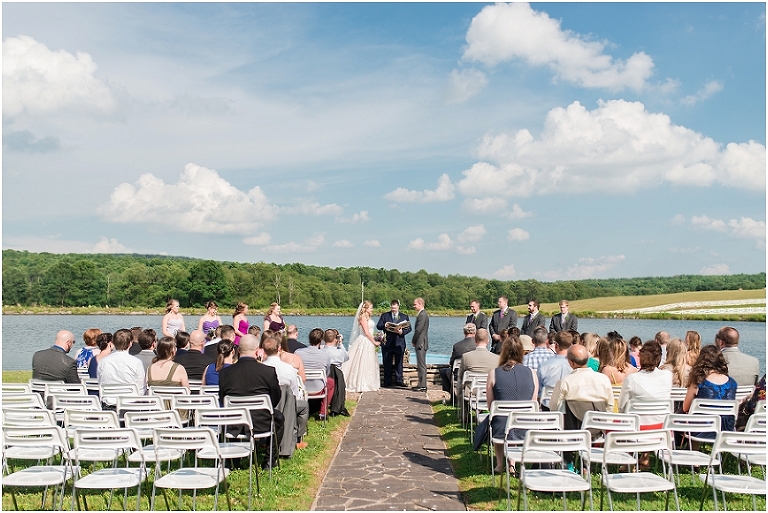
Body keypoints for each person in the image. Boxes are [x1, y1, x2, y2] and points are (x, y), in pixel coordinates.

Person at [218, 334, 284, 470]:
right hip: (261, 422)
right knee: (279, 418)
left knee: (229, 415)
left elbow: (223, 399)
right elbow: (276, 398)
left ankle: (233, 461)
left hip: (235, 422)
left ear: (237, 350)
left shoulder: (225, 373)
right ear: (257, 351)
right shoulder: (268, 371)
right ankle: (269, 460)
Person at [484, 336, 539, 472]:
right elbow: (533, 402)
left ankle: (499, 463)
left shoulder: (494, 373)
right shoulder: (531, 373)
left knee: (498, 417)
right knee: (514, 417)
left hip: (501, 427)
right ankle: (512, 463)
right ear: (521, 352)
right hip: (524, 425)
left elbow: (490, 406)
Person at [262, 335, 309, 451]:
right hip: (286, 406)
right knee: (304, 407)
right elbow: (294, 391)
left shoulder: (260, 368)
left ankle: (263, 441)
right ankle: (298, 438)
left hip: (264, 406)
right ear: (279, 348)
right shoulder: (288, 369)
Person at [683, 345, 738, 437]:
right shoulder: (732, 383)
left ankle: (692, 447)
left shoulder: (698, 382)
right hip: (726, 429)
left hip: (702, 429)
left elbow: (685, 408)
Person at [619, 341, 673, 428]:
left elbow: (621, 407)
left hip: (636, 431)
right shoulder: (668, 376)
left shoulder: (632, 378)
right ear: (659, 358)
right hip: (662, 431)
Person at [550, 344, 613, 414]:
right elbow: (610, 406)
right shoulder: (604, 379)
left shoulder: (565, 382)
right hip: (599, 422)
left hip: (572, 424)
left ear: (571, 362)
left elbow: (554, 407)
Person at [296, 328, 336, 420]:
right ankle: (323, 412)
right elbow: (327, 373)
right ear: (321, 341)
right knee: (331, 382)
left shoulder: (298, 352)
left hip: (302, 386)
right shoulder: (325, 355)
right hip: (318, 387)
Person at [342, 301, 381, 393]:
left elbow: (370, 331)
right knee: (362, 361)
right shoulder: (363, 317)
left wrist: (377, 336)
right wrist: (374, 341)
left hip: (369, 341)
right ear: (366, 308)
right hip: (365, 341)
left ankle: (369, 382)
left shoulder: (368, 317)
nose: (372, 309)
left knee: (369, 362)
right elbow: (366, 332)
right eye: (371, 308)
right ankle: (361, 383)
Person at [98, 328, 146, 401]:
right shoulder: (136, 362)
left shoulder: (103, 361)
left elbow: (100, 383)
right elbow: (141, 388)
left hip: (109, 403)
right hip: (131, 403)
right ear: (130, 343)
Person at [377, 299, 411, 388]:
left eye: (395, 308)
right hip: (387, 343)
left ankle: (399, 381)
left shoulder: (404, 316)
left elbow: (409, 328)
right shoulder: (385, 316)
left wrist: (401, 332)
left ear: (398, 307)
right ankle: (387, 381)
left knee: (399, 363)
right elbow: (378, 326)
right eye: (392, 308)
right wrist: (384, 325)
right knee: (386, 362)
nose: (393, 309)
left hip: (399, 343)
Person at [537, 331, 574, 410]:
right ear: (571, 346)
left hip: (547, 408)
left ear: (556, 345)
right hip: (569, 409)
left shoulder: (544, 366)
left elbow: (538, 391)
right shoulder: (575, 366)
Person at [439, 323, 477, 398]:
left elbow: (452, 362)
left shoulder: (457, 346)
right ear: (475, 332)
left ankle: (452, 397)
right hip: (476, 375)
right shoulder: (478, 346)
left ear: (464, 332)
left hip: (459, 375)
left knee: (443, 371)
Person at [458, 328, 497, 395]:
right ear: (488, 341)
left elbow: (460, 377)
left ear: (475, 340)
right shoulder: (497, 358)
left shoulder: (466, 357)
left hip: (471, 392)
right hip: (490, 392)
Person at [411, 297, 430, 391]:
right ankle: (421, 384)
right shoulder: (422, 314)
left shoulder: (422, 315)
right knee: (420, 364)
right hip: (421, 342)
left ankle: (423, 385)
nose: (414, 306)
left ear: (420, 304)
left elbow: (418, 330)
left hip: (421, 343)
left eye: (415, 304)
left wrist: (414, 340)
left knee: (421, 364)